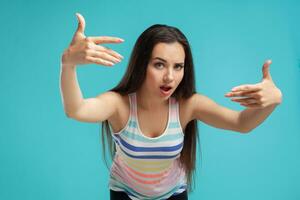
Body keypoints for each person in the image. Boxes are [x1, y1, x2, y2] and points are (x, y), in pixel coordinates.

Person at [60, 13, 282, 200]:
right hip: (125, 193)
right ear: (141, 64)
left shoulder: (188, 105)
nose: (169, 77)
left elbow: (241, 123)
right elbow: (76, 109)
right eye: (159, 64)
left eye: (178, 67)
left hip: (174, 193)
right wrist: (68, 63)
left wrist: (275, 99)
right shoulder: (119, 104)